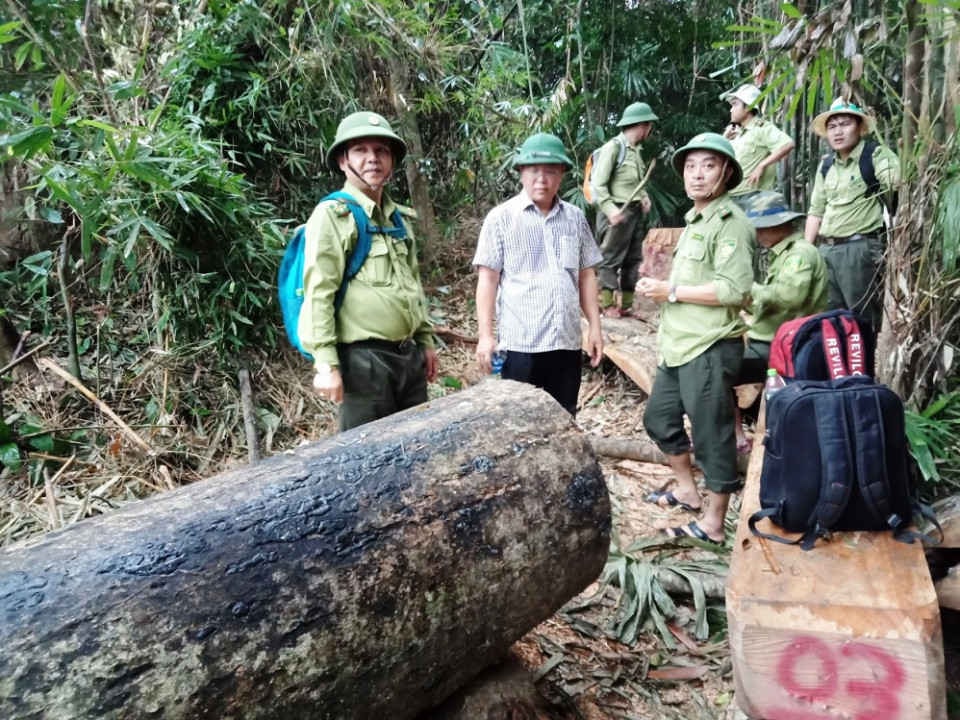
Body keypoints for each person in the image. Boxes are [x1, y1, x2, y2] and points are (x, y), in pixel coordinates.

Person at [637, 132, 755, 545]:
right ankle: (687, 491)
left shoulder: (731, 224)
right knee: (658, 418)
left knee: (711, 433)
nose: (697, 175)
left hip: (709, 345)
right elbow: (695, 281)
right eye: (690, 166)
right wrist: (663, 284)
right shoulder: (694, 219)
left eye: (707, 165)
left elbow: (733, 290)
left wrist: (668, 291)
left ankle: (713, 523)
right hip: (679, 344)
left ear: (726, 171)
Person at [299, 110, 438, 431]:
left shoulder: (398, 218)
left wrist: (426, 341)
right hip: (363, 363)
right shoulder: (333, 215)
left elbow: (411, 285)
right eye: (361, 150)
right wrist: (326, 364)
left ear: (391, 161)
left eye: (381, 151)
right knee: (365, 460)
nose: (372, 159)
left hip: (408, 359)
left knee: (415, 447)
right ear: (343, 161)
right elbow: (319, 292)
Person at [473, 132, 604, 415]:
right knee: (519, 420)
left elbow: (586, 275)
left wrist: (594, 326)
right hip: (522, 343)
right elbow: (488, 279)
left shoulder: (575, 219)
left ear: (562, 175)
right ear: (521, 172)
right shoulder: (501, 219)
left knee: (564, 415)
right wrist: (486, 335)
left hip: (566, 340)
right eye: (534, 171)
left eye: (550, 171)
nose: (541, 179)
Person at [734, 190, 828, 452]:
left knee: (719, 372)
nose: (759, 234)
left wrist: (749, 289)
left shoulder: (799, 254)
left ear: (781, 225)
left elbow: (790, 297)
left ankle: (737, 437)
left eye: (763, 228)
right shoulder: (784, 254)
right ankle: (739, 436)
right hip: (773, 340)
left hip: (784, 345)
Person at [804, 98, 899, 333]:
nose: (838, 131)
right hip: (826, 250)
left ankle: (867, 367)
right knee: (829, 319)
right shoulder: (826, 165)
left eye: (844, 124)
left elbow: (897, 183)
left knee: (863, 318)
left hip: (860, 249)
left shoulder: (875, 155)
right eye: (832, 126)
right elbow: (816, 211)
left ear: (859, 127)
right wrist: (807, 252)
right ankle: (840, 369)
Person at [591, 102, 659, 318]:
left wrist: (645, 198)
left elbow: (636, 183)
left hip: (635, 211)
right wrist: (611, 210)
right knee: (610, 258)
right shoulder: (614, 147)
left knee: (633, 258)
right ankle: (608, 305)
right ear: (642, 126)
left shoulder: (636, 151)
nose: (649, 131)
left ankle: (627, 305)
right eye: (649, 126)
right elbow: (597, 185)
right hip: (618, 211)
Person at [721, 84, 795, 203]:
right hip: (731, 196)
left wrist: (762, 165)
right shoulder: (736, 134)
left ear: (748, 107)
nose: (731, 109)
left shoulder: (762, 128)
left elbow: (788, 144)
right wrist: (725, 138)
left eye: (735, 104)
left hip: (753, 198)